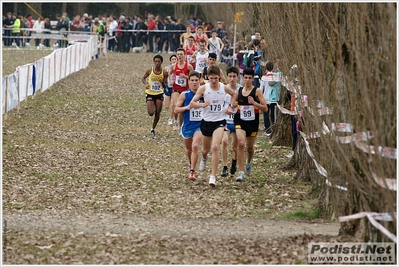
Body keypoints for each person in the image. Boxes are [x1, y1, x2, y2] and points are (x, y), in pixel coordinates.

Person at [189, 65, 236, 186]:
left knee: (215, 147)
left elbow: (234, 94)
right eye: (211, 78)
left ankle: (213, 176)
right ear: (207, 77)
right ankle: (204, 158)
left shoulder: (223, 88)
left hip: (219, 121)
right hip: (206, 121)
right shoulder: (203, 88)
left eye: (216, 78)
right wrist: (203, 105)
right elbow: (192, 103)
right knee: (205, 150)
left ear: (219, 77)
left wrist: (230, 106)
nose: (214, 81)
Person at [226, 68, 268, 182]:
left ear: (253, 79)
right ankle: (240, 172)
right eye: (246, 78)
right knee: (241, 143)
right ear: (243, 78)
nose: (248, 80)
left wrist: (254, 103)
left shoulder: (257, 91)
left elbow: (265, 108)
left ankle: (248, 162)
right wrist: (232, 106)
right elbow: (231, 104)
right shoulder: (238, 91)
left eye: (250, 78)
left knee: (249, 148)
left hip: (253, 123)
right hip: (240, 121)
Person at [174, 71, 204, 180]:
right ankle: (192, 162)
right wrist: (186, 108)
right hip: (187, 126)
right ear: (189, 82)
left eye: (196, 80)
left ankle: (192, 171)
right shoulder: (185, 95)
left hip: (199, 126)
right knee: (189, 150)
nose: (195, 82)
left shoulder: (204, 94)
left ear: (200, 81)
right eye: (192, 80)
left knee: (195, 146)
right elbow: (176, 110)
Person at [221, 66, 241, 177]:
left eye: (234, 76)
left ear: (237, 77)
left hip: (237, 121)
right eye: (230, 76)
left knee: (234, 146)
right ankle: (224, 166)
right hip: (225, 120)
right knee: (224, 142)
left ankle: (234, 162)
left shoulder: (241, 89)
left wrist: (237, 104)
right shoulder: (223, 89)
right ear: (227, 77)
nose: (232, 79)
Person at [141, 55, 168, 136]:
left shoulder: (164, 72)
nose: (157, 63)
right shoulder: (149, 70)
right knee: (151, 112)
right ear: (153, 62)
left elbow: (165, 86)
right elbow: (143, 78)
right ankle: (151, 104)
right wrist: (146, 84)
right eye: (155, 61)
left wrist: (162, 82)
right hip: (150, 93)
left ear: (161, 62)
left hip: (159, 93)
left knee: (158, 111)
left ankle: (153, 128)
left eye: (158, 61)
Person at [169, 48, 194, 130]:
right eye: (178, 54)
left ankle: (181, 126)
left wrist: (185, 77)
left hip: (185, 89)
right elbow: (170, 73)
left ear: (184, 55)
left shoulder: (188, 66)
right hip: (176, 88)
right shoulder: (174, 66)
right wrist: (171, 80)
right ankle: (175, 121)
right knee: (176, 105)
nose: (179, 56)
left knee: (182, 110)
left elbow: (192, 77)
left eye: (181, 54)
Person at [260, 61, 282, 136]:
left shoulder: (264, 77)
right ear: (273, 68)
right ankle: (274, 127)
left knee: (266, 114)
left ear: (266, 68)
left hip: (265, 98)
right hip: (273, 98)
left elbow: (261, 89)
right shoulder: (275, 76)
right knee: (273, 114)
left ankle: (267, 129)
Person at [164, 54, 177, 125]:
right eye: (172, 59)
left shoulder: (179, 67)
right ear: (170, 61)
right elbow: (164, 77)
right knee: (166, 106)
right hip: (168, 87)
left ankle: (171, 119)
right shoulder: (167, 68)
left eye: (175, 59)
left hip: (175, 88)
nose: (174, 60)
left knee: (173, 104)